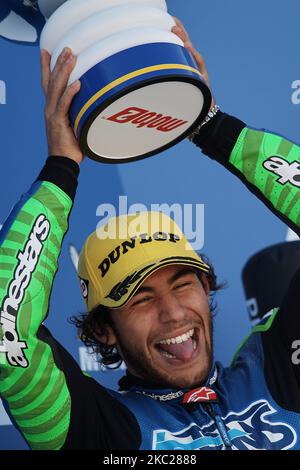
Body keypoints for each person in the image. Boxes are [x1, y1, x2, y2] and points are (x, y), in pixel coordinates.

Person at [0, 18, 299, 451]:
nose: (173, 312)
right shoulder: (95, 430)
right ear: (104, 331)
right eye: (139, 298)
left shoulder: (276, 370)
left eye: (183, 283)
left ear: (206, 288)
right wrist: (62, 165)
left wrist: (209, 125)